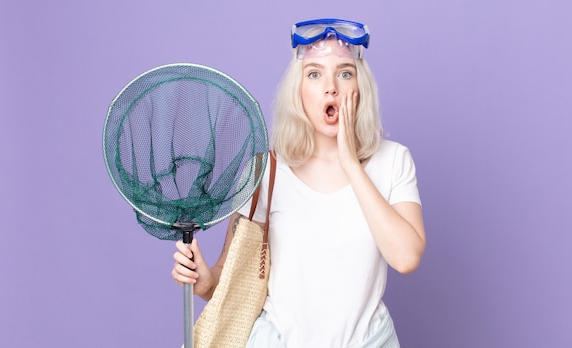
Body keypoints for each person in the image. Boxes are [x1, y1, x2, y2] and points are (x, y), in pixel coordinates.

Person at [171, 18, 426, 348]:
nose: (330, 86)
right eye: (315, 73)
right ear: (299, 91)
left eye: (345, 72)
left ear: (360, 86)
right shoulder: (266, 172)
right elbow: (228, 282)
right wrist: (204, 281)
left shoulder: (393, 161)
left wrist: (351, 163)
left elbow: (406, 257)